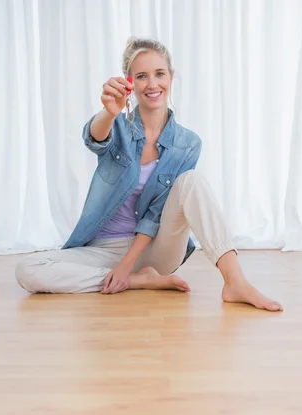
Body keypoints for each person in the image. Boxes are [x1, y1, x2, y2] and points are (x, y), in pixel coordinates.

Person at [15, 37, 283, 312]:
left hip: (156, 249)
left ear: (171, 76)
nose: (152, 84)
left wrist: (127, 262)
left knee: (192, 182)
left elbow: (155, 214)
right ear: (130, 82)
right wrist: (109, 112)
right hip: (103, 248)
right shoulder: (116, 125)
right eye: (141, 76)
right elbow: (94, 138)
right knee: (28, 269)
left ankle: (235, 282)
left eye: (159, 74)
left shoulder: (188, 143)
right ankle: (135, 282)